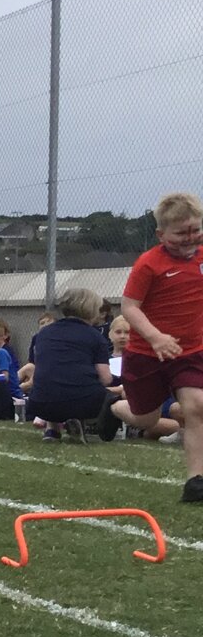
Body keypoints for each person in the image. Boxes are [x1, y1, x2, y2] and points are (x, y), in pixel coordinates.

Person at [114, 191, 203, 497]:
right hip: (146, 353)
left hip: (189, 351)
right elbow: (129, 307)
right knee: (147, 418)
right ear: (161, 234)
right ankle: (112, 406)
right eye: (181, 233)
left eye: (196, 230)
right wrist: (155, 337)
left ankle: (196, 480)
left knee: (196, 407)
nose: (190, 238)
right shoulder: (149, 264)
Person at [19, 289, 113, 440]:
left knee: (55, 378)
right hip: (82, 403)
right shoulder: (96, 336)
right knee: (99, 391)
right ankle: (77, 421)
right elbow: (105, 378)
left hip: (40, 402)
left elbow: (46, 367)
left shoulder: (44, 333)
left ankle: (52, 429)